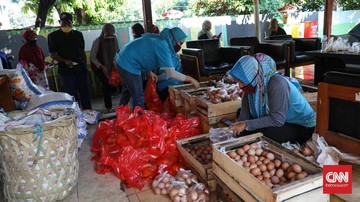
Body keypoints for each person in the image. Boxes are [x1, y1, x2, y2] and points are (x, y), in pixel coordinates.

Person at [228, 53, 315, 144]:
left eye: (242, 81)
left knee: (266, 133)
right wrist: (237, 127)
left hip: (299, 126)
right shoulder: (251, 87)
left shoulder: (277, 84)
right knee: (240, 114)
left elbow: (277, 120)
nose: (240, 85)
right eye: (239, 81)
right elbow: (243, 117)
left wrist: (246, 124)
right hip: (279, 120)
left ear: (253, 76)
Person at [115, 27, 200, 110]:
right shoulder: (162, 45)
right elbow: (170, 73)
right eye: (180, 43)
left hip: (122, 59)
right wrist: (190, 79)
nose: (180, 46)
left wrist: (149, 72)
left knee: (127, 93)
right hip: (128, 63)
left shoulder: (158, 40)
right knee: (138, 97)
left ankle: (121, 116)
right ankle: (140, 121)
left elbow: (144, 54)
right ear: (173, 39)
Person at [48, 12, 92, 109]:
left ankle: (88, 113)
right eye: (63, 23)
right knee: (71, 95)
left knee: (85, 92)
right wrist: (65, 61)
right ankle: (75, 115)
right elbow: (53, 54)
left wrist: (85, 66)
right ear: (59, 22)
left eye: (68, 23)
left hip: (80, 69)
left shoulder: (78, 35)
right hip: (66, 70)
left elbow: (82, 51)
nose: (66, 25)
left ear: (72, 23)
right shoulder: (53, 36)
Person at [90, 23, 119, 113]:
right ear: (104, 33)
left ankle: (112, 100)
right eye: (108, 35)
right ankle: (108, 107)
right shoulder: (97, 42)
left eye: (111, 35)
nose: (110, 37)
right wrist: (102, 67)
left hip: (110, 64)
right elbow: (92, 57)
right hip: (98, 66)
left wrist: (115, 61)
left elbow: (117, 51)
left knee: (111, 83)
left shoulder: (114, 39)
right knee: (106, 84)